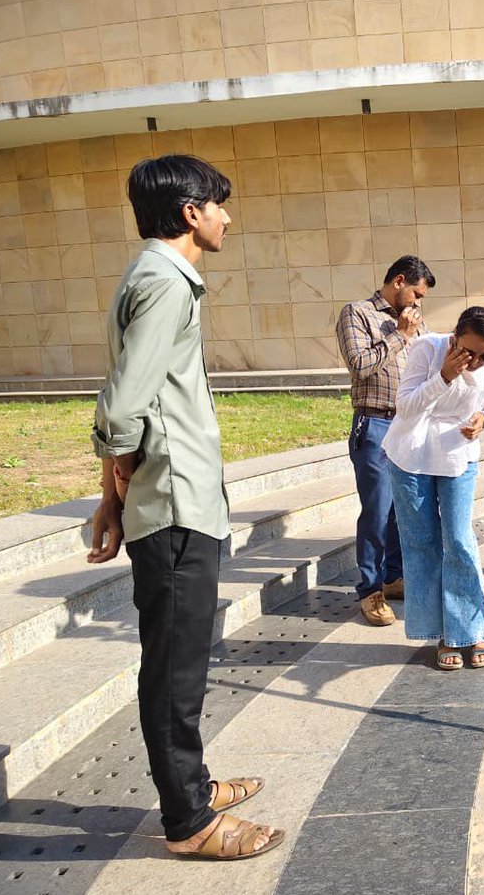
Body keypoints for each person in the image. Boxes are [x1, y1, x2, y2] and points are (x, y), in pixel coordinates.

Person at [87, 154, 283, 860]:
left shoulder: (149, 277)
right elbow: (124, 405)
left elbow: (130, 395)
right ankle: (188, 823)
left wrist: (115, 494)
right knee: (175, 669)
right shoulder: (167, 282)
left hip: (165, 496)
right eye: (219, 205)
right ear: (189, 213)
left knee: (179, 661)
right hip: (175, 505)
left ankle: (191, 784)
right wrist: (124, 475)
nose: (228, 217)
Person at [383, 306, 484, 670]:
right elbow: (405, 407)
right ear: (455, 337)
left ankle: (473, 629)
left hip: (459, 454)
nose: (475, 361)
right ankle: (442, 633)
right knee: (422, 542)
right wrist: (443, 376)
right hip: (411, 453)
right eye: (469, 352)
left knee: (459, 538)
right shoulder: (428, 349)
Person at [336, 256, 434, 627]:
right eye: (416, 294)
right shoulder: (357, 313)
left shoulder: (417, 321)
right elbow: (360, 364)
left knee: (402, 509)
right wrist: (401, 335)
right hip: (374, 423)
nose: (418, 303)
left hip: (410, 426)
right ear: (398, 281)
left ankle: (394, 577)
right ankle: (370, 589)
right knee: (377, 511)